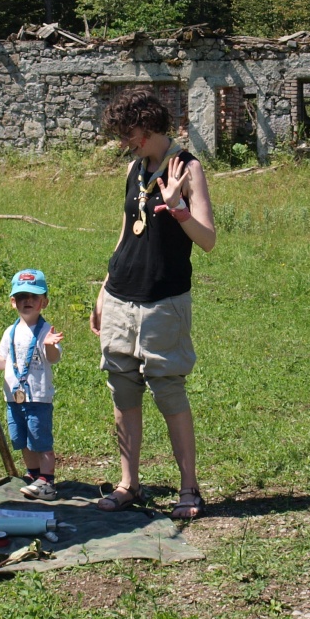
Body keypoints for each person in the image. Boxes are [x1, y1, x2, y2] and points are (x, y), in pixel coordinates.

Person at [89, 88, 216, 519]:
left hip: (164, 300)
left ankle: (189, 489)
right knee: (123, 390)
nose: (126, 141)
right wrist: (104, 290)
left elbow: (209, 240)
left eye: (130, 132)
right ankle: (129, 484)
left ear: (149, 125)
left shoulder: (188, 167)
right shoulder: (133, 168)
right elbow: (125, 233)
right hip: (123, 295)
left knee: (168, 390)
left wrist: (178, 207)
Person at [0, 269, 65, 499]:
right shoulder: (10, 332)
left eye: (33, 297)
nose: (27, 301)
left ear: (44, 302)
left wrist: (48, 345)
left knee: (41, 440)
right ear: (12, 302)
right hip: (13, 397)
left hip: (38, 397)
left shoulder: (47, 331)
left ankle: (47, 482)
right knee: (22, 440)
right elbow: (6, 361)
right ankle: (33, 474)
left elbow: (54, 358)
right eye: (21, 297)